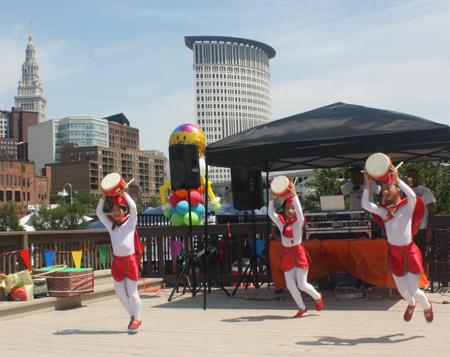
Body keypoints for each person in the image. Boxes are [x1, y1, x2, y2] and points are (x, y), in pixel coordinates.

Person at [362, 164, 433, 323]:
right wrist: (367, 184)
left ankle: (427, 305)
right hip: (394, 253)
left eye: (389, 187)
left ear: (398, 188)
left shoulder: (408, 206)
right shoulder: (384, 210)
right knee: (402, 290)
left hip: (409, 252)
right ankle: (411, 304)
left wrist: (398, 179)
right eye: (383, 189)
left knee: (414, 290)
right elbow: (365, 205)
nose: (385, 191)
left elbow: (413, 196)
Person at [268, 182, 323, 318]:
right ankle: (302, 307)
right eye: (288, 208)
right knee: (291, 286)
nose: (290, 211)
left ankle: (317, 296)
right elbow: (270, 213)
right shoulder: (281, 223)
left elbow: (300, 212)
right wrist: (272, 196)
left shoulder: (299, 222)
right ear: (284, 210)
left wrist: (294, 194)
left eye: (292, 208)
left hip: (298, 254)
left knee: (302, 285)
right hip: (287, 255)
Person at [96, 182, 143, 331]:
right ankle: (132, 315)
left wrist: (125, 194)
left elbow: (134, 208)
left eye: (118, 209)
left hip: (130, 261)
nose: (115, 212)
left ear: (124, 210)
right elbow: (99, 213)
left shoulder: (130, 223)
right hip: (117, 262)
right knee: (120, 294)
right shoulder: (111, 225)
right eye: (113, 210)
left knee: (133, 293)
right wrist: (103, 197)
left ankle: (138, 318)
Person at [406, 169, 435, 286]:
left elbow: (431, 211)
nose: (411, 179)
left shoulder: (425, 191)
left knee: (424, 256)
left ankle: (425, 281)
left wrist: (429, 228)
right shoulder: (405, 191)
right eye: (409, 177)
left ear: (418, 177)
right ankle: (412, 282)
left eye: (414, 176)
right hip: (408, 229)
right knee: (410, 256)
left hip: (422, 228)